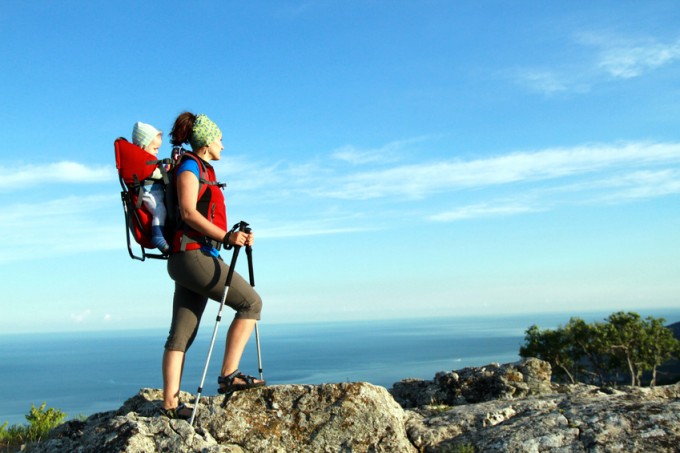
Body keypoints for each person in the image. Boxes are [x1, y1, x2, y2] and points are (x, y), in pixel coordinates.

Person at [161, 112, 265, 419]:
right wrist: (228, 236)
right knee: (251, 303)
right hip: (193, 257)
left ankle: (169, 403)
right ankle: (229, 374)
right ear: (206, 143)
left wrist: (232, 236)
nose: (222, 144)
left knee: (181, 334)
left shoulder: (196, 167)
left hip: (188, 257)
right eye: (219, 139)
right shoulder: (191, 167)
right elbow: (189, 213)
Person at [131, 121, 170, 253]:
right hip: (148, 192)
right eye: (155, 149)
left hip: (153, 191)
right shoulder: (143, 162)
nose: (157, 152)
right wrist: (167, 171)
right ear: (143, 146)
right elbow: (156, 174)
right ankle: (158, 236)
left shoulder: (146, 161)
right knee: (160, 212)